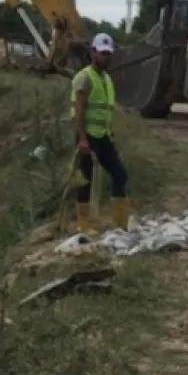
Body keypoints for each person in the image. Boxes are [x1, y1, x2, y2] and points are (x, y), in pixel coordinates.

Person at [71, 33, 130, 234]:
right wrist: (82, 139)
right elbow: (79, 110)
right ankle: (84, 225)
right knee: (84, 180)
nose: (106, 57)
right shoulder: (84, 78)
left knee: (120, 174)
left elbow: (105, 110)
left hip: (103, 136)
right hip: (87, 137)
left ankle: (120, 224)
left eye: (108, 54)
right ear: (93, 52)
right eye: (102, 53)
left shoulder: (106, 79)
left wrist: (110, 133)